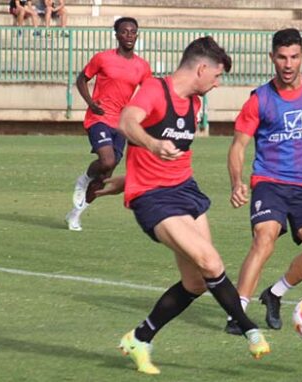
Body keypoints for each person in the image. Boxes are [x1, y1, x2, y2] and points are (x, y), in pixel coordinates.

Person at [95, 36, 270, 375]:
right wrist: (152, 144)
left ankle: (139, 338)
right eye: (217, 76)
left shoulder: (194, 104)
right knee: (210, 260)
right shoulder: (154, 91)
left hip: (185, 191)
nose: (218, 83)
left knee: (195, 282)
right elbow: (127, 122)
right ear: (202, 68)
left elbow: (172, 161)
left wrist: (121, 182)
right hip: (153, 199)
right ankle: (249, 328)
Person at [224, 28, 302, 335]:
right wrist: (237, 181)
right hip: (270, 182)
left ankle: (274, 293)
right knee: (265, 237)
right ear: (272, 58)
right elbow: (238, 145)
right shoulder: (259, 99)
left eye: (294, 57)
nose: (288, 64)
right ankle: (238, 313)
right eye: (281, 57)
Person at [65, 17, 152, 231]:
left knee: (106, 176)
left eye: (133, 32)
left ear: (137, 35)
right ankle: (83, 178)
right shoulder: (102, 59)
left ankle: (76, 213)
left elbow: (149, 92)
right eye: (124, 31)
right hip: (100, 117)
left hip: (121, 123)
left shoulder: (142, 66)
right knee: (107, 160)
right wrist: (91, 103)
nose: (129, 35)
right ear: (117, 35)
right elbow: (81, 79)